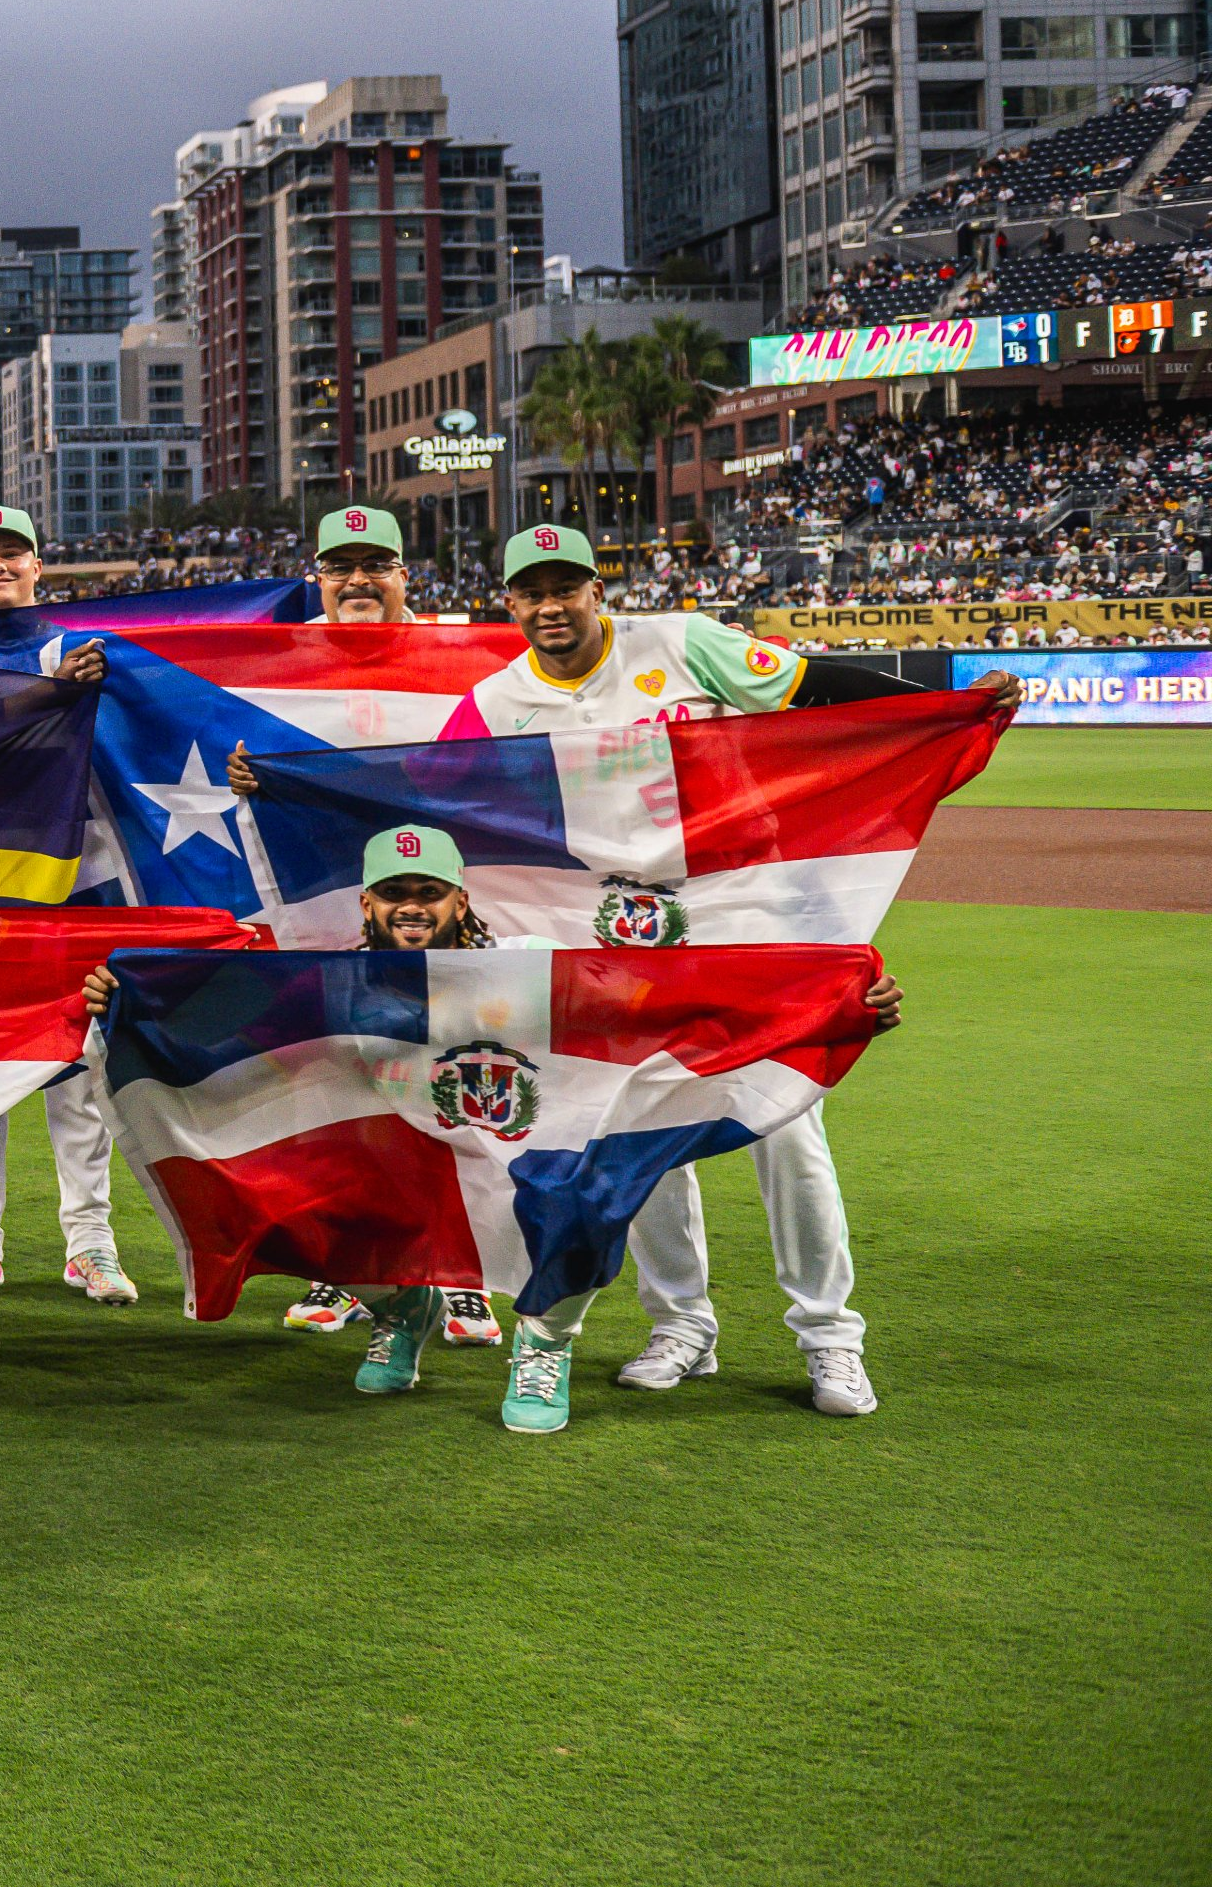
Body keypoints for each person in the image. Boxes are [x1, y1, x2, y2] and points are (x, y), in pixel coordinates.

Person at [429, 523, 1013, 1419]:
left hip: (744, 927)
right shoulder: (494, 703)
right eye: (530, 591)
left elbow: (821, 692)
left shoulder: (683, 643)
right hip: (614, 954)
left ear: (597, 587)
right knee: (641, 1141)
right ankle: (682, 1326)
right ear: (509, 602)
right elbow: (419, 789)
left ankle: (829, 1336)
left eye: (566, 585)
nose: (550, 605)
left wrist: (946, 709)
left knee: (789, 1131)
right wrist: (278, 784)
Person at [89, 821, 906, 1433]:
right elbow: (221, 1024)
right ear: (367, 902)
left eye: (429, 892)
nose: (413, 907)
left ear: (459, 900)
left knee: (586, 1193)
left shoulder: (529, 960)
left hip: (520, 1171)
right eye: (396, 894)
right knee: (302, 1200)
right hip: (412, 1174)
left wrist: (830, 1004)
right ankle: (401, 1313)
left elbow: (662, 1002)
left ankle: (544, 1341)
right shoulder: (333, 978)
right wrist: (123, 1003)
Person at [269, 504, 502, 1348]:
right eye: (342, 565)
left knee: (462, 1083)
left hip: (445, 905)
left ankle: (462, 1272)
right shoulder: (277, 669)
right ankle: (355, 1263)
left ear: (408, 575)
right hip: (339, 903)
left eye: (378, 564)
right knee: (353, 1089)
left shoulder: (464, 659)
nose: (359, 579)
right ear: (317, 579)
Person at [0, 505, 130, 1310]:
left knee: (82, 1063)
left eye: (11, 552)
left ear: (39, 565)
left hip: (75, 880)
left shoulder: (80, 650)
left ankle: (91, 1241)